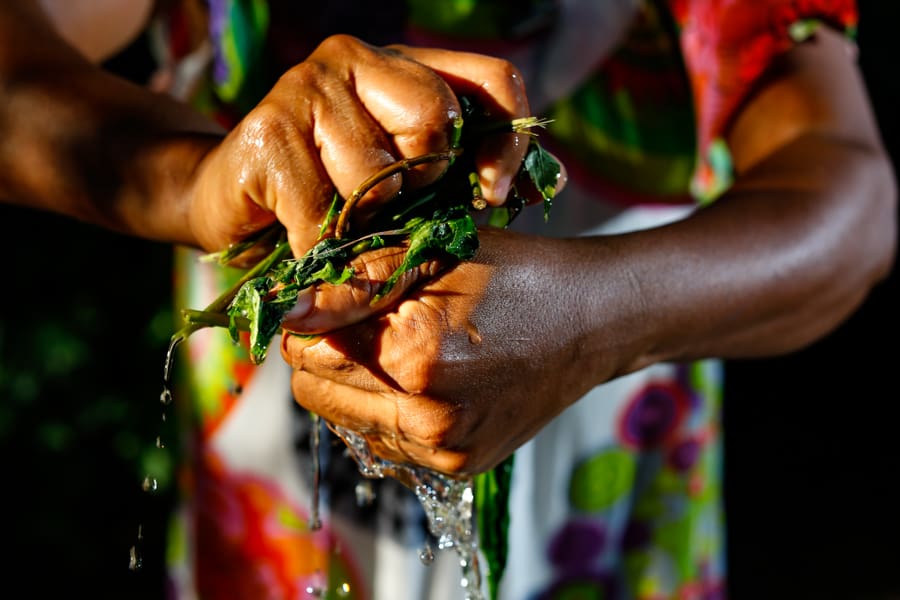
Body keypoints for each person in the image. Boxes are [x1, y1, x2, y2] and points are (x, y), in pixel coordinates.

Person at [2, 1, 895, 599]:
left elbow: (854, 207)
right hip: (278, 532)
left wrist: (599, 319)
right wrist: (194, 178)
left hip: (606, 530)